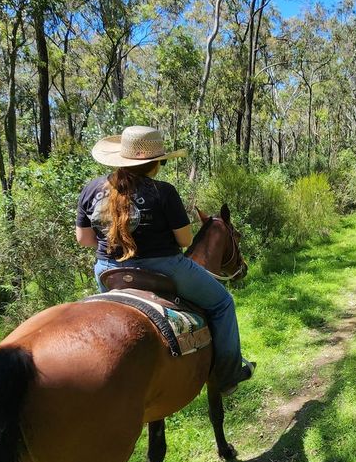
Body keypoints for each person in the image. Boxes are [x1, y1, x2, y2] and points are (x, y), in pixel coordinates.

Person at [74, 126, 254, 393]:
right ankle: (228, 375)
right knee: (222, 303)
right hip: (163, 268)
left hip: (108, 272)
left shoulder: (91, 189)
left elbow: (85, 240)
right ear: (155, 163)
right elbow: (184, 241)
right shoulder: (163, 191)